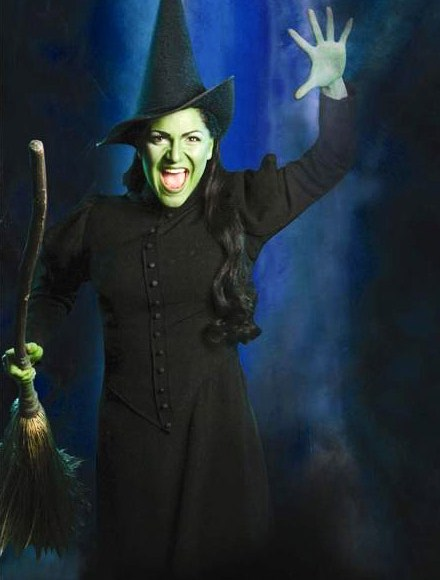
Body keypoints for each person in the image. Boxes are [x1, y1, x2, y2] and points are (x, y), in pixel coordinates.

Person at [3, 1, 356, 578]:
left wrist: (335, 86)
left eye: (192, 138)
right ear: (140, 146)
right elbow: (52, 290)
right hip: (130, 451)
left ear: (211, 146)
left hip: (220, 446)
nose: (175, 156)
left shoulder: (241, 206)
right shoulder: (98, 223)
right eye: (160, 139)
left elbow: (330, 162)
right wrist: (33, 338)